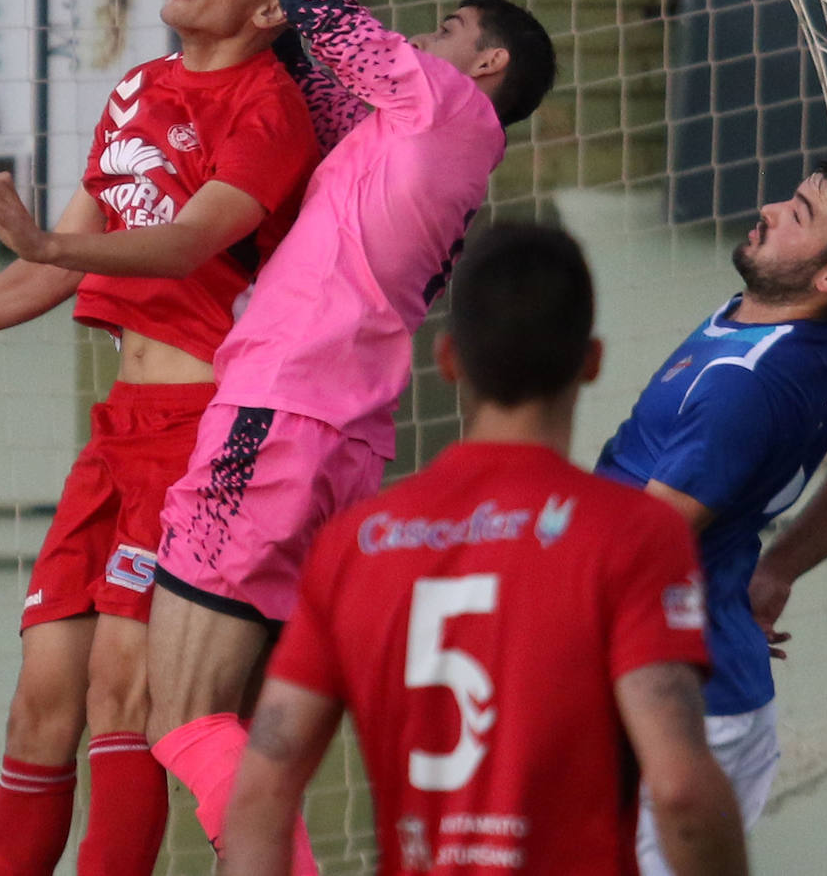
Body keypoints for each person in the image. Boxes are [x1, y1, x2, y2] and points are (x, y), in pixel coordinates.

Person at [0, 0, 320, 876]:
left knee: (125, 688)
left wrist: (52, 235)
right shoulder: (138, 88)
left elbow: (191, 239)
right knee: (42, 699)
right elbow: (62, 263)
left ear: (271, 10)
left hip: (202, 436)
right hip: (118, 431)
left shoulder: (270, 109)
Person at [143, 0, 558, 871]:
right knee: (253, 727)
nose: (426, 34)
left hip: (281, 413)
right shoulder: (409, 131)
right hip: (337, 437)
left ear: (490, 59)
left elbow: (321, 6)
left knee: (180, 718)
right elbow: (296, 61)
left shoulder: (451, 108)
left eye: (450, 25)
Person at [221, 221, 749, 876]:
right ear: (591, 361)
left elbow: (259, 795)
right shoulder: (634, 534)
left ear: (447, 361)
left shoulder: (353, 543)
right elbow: (681, 793)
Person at [595, 148, 827, 874]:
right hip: (687, 674)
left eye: (799, 214)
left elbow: (629, 550)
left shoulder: (744, 388)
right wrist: (779, 570)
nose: (770, 210)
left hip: (683, 703)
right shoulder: (821, 333)